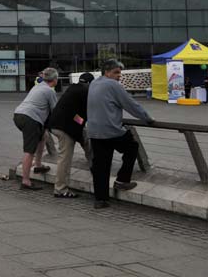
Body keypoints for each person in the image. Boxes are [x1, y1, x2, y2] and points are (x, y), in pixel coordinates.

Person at [88, 59, 154, 208]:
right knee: (132, 147)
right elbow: (130, 104)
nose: (119, 76)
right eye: (116, 72)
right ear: (107, 72)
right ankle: (122, 180)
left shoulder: (94, 83)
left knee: (101, 166)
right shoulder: (113, 85)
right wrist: (147, 118)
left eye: (120, 73)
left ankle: (101, 199)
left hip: (94, 131)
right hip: (111, 130)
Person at [47, 72, 94, 198]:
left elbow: (75, 114)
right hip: (64, 128)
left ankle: (94, 166)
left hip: (58, 124)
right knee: (65, 158)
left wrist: (81, 125)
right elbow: (87, 113)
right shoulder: (85, 92)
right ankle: (60, 189)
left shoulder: (73, 88)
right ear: (90, 83)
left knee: (87, 141)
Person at [13, 67, 59, 190]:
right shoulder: (50, 91)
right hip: (30, 119)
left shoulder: (38, 86)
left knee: (43, 137)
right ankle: (26, 181)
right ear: (54, 79)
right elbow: (55, 111)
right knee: (29, 151)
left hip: (19, 115)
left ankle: (38, 165)